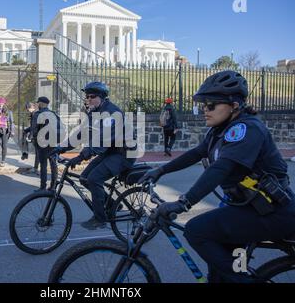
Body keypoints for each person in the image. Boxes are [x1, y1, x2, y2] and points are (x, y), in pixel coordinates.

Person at [139, 70, 295, 283]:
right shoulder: (220, 130)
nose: (205, 109)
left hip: (272, 212)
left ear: (234, 105)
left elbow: (221, 168)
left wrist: (184, 202)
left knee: (196, 230)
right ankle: (235, 274)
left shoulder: (247, 129)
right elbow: (195, 153)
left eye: (211, 104)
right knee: (219, 271)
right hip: (246, 207)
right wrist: (160, 170)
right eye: (204, 104)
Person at [51, 82, 136, 230]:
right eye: (87, 96)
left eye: (92, 96)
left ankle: (100, 218)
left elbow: (101, 141)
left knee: (94, 178)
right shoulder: (94, 113)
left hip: (124, 154)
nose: (88, 99)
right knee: (84, 179)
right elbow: (81, 134)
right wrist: (60, 148)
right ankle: (113, 205)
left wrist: (80, 157)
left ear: (102, 97)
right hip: (110, 152)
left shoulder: (112, 114)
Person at [31, 97, 58, 192]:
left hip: (42, 142)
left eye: (38, 103)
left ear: (41, 103)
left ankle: (43, 187)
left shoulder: (37, 114)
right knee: (53, 164)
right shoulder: (53, 114)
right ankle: (53, 186)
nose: (37, 104)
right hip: (53, 142)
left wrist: (34, 140)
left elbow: (34, 130)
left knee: (43, 165)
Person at [0, 97, 15, 167]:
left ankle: (3, 161)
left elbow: (11, 122)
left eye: (2, 103)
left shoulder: (9, 112)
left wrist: (12, 131)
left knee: (4, 146)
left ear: (4, 104)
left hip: (5, 131)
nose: (1, 104)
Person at [22, 102, 39, 174]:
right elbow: (32, 126)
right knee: (38, 153)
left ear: (30, 107)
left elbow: (34, 127)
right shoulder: (35, 113)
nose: (27, 110)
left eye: (27, 109)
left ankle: (36, 168)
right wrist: (26, 130)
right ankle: (36, 167)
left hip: (37, 136)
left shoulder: (35, 114)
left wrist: (30, 136)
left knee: (38, 153)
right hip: (37, 135)